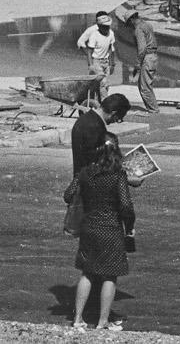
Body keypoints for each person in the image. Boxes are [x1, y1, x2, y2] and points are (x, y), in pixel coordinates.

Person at [67, 136, 135, 331]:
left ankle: (78, 318)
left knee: (87, 273)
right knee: (110, 276)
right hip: (111, 228)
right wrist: (129, 225)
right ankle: (102, 321)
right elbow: (125, 205)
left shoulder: (85, 173)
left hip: (89, 227)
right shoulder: (117, 175)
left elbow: (68, 194)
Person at [70, 93, 132, 174]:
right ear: (113, 113)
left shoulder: (86, 119)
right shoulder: (95, 127)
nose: (116, 122)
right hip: (90, 182)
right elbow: (97, 165)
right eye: (118, 119)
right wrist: (125, 177)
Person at [126, 10, 164, 113]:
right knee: (145, 85)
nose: (129, 26)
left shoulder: (138, 29)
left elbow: (142, 49)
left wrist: (137, 65)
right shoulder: (147, 24)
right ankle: (152, 108)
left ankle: (154, 110)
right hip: (153, 56)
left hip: (147, 57)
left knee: (144, 88)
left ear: (131, 20)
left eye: (128, 23)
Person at [76, 12, 116, 81]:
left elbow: (111, 48)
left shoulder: (110, 32)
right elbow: (80, 42)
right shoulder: (91, 30)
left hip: (105, 61)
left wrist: (112, 63)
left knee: (100, 82)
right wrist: (91, 58)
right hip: (96, 61)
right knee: (101, 81)